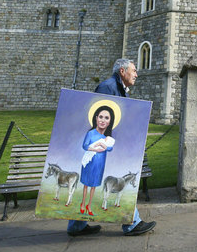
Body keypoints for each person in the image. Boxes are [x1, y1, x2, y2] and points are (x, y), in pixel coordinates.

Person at [67, 58, 157, 237]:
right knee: (92, 184)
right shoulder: (108, 87)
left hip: (106, 149)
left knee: (93, 185)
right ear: (122, 71)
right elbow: (102, 118)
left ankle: (76, 226)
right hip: (98, 150)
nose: (136, 74)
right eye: (133, 70)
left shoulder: (117, 87)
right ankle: (132, 224)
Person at [78, 105, 115, 217]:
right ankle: (83, 203)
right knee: (86, 184)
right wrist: (95, 147)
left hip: (99, 163)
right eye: (101, 117)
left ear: (109, 122)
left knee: (93, 185)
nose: (103, 120)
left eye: (106, 118)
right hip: (89, 162)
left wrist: (104, 146)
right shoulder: (91, 133)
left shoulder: (107, 138)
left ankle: (89, 205)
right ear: (96, 118)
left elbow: (110, 148)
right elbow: (84, 146)